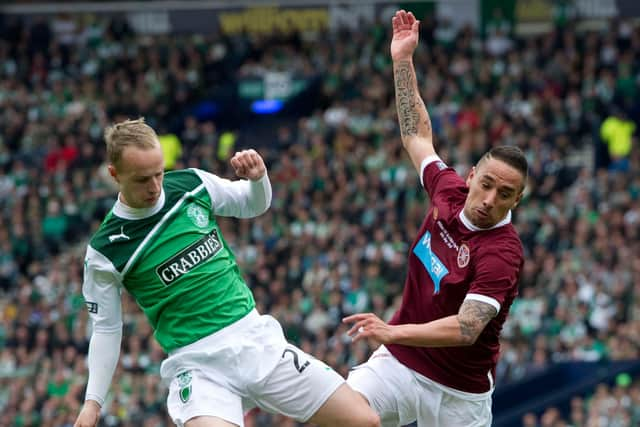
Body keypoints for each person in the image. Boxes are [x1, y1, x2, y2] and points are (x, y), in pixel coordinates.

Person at [74, 118, 379, 427]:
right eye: (142, 179)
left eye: (159, 173)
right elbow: (107, 329)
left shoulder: (191, 184)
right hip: (198, 365)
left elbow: (251, 204)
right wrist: (92, 403)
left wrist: (259, 179)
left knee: (364, 421)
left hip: (256, 340)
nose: (155, 187)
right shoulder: (105, 250)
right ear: (115, 174)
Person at [343, 10, 528, 427]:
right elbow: (416, 135)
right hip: (399, 365)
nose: (489, 199)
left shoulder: (502, 252)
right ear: (471, 177)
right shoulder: (449, 192)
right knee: (340, 416)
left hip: (459, 395)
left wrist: (392, 332)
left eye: (505, 194)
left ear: (517, 199)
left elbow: (466, 329)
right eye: (486, 184)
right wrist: (402, 61)